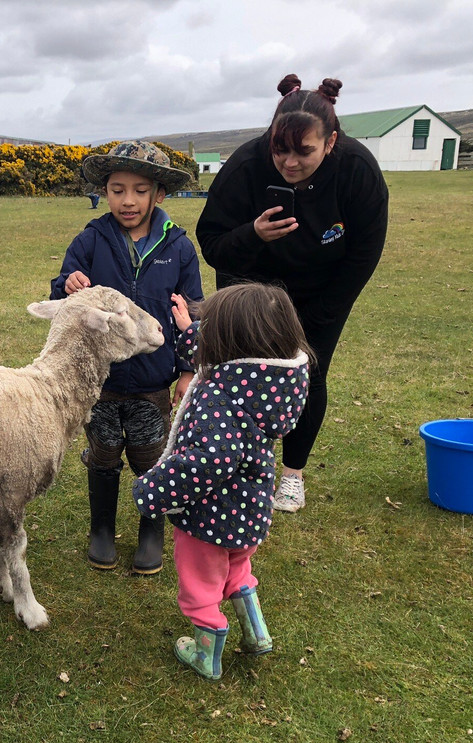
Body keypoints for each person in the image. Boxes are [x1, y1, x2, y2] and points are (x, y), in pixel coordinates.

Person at [195, 73, 389, 513]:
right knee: (237, 375)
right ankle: (239, 466)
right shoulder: (245, 166)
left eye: (305, 151)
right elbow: (212, 243)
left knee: (308, 373)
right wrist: (253, 234)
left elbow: (364, 253)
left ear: (331, 141)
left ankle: (292, 476)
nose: (290, 162)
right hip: (250, 288)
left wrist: (320, 317)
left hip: (323, 288)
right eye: (280, 150)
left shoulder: (359, 171)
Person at [133, 284, 310, 680]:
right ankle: (256, 633)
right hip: (249, 511)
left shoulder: (220, 396)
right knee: (237, 568)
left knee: (200, 584)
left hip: (211, 518)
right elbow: (214, 350)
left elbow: (207, 462)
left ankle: (205, 653)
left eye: (210, 328)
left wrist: (153, 489)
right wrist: (188, 328)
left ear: (228, 343)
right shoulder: (269, 382)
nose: (204, 333)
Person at [50, 140, 204, 575]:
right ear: (106, 191)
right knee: (102, 452)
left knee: (150, 454)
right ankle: (101, 528)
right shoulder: (91, 239)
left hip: (155, 377)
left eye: (140, 189)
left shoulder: (179, 247)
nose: (128, 200)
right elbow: (61, 293)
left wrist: (189, 368)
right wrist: (68, 284)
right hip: (101, 379)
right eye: (118, 189)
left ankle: (150, 529)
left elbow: (193, 312)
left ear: (159, 194)